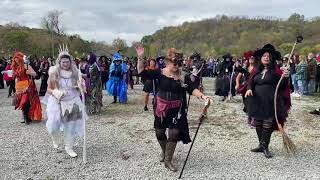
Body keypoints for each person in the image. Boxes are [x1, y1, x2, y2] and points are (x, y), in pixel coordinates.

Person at [136, 46, 211, 172]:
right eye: (174, 62)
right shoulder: (159, 72)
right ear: (167, 62)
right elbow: (141, 72)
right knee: (159, 132)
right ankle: (164, 152)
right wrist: (140, 57)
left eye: (179, 63)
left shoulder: (183, 76)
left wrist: (203, 96)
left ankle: (168, 160)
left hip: (177, 111)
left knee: (174, 133)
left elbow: (192, 88)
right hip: (161, 109)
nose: (177, 65)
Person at [245, 44, 291, 158]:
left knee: (268, 124)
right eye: (264, 56)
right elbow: (250, 82)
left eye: (269, 56)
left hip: (270, 102)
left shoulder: (276, 71)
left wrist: (285, 76)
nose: (266, 58)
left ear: (272, 59)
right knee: (258, 123)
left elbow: (283, 86)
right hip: (257, 101)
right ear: (260, 57)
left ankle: (265, 146)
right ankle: (261, 145)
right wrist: (249, 89)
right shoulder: (256, 70)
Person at [45, 46, 86, 158]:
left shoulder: (75, 72)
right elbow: (49, 89)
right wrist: (56, 92)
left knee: (70, 125)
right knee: (53, 125)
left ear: (70, 62)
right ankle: (55, 137)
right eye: (63, 62)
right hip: (57, 102)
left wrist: (81, 86)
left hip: (72, 101)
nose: (65, 64)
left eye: (67, 62)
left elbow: (82, 87)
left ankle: (69, 147)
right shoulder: (54, 72)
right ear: (60, 62)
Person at [12, 52, 42, 124]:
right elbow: (16, 78)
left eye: (18, 60)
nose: (17, 61)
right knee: (21, 102)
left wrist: (30, 73)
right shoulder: (15, 68)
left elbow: (35, 75)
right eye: (15, 60)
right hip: (19, 86)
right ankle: (26, 117)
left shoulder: (26, 66)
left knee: (25, 101)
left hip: (28, 86)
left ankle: (26, 117)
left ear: (21, 59)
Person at [235, 51, 256, 126]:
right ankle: (249, 116)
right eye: (250, 58)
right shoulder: (245, 67)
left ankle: (253, 118)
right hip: (245, 87)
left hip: (254, 87)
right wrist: (237, 85)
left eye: (253, 58)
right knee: (246, 103)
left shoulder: (257, 68)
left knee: (253, 102)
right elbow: (237, 78)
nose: (251, 59)